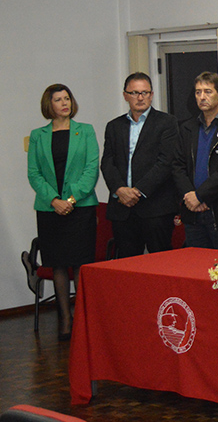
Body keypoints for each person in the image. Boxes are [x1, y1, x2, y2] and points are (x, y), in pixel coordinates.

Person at [26, 84, 100, 340]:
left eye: (67, 98)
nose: (64, 103)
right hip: (49, 209)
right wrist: (55, 200)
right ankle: (65, 319)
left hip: (80, 208)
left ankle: (82, 319)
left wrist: (69, 199)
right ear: (49, 105)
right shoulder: (38, 135)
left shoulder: (86, 131)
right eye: (58, 100)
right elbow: (34, 174)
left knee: (81, 263)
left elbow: (92, 169)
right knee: (57, 263)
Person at [100, 72, 179, 258]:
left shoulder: (167, 123)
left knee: (160, 265)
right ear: (125, 95)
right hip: (122, 209)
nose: (140, 97)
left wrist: (137, 191)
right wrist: (120, 189)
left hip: (156, 208)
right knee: (127, 267)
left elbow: (165, 162)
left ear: (152, 95)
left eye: (145, 92)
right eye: (135, 93)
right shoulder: (114, 126)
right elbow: (107, 162)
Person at [171, 72, 218, 249]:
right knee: (196, 267)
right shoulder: (186, 128)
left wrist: (200, 195)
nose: (202, 97)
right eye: (198, 92)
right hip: (192, 213)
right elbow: (177, 165)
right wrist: (190, 196)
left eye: (207, 91)